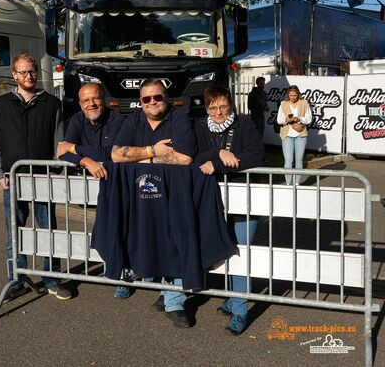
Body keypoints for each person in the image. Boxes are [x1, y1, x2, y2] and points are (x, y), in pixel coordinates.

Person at [110, 78, 196, 328]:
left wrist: (139, 161)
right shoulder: (133, 120)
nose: (152, 102)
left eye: (157, 97)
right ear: (140, 101)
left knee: (174, 243)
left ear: (166, 97)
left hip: (173, 196)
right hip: (141, 198)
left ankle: (175, 303)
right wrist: (153, 151)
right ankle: (162, 290)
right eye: (146, 98)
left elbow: (185, 158)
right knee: (148, 241)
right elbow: (116, 154)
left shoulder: (178, 119)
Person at [0, 52, 72, 301]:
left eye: (32, 71)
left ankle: (51, 278)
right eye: (23, 72)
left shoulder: (52, 104)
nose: (28, 76)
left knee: (48, 231)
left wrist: (55, 170)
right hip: (13, 181)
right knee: (15, 233)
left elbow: (59, 142)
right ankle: (16, 280)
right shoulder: (1, 105)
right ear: (14, 75)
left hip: (43, 181)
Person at [193, 84, 264, 335]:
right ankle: (233, 297)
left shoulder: (245, 124)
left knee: (240, 255)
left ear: (230, 104)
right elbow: (195, 155)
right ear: (207, 108)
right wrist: (218, 155)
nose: (219, 112)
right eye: (213, 107)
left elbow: (256, 155)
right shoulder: (201, 126)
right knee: (223, 251)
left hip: (244, 201)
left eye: (223, 106)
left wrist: (221, 166)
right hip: (213, 202)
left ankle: (240, 311)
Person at [55, 82, 127, 297]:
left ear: (103, 99)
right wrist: (86, 160)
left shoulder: (117, 119)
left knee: (118, 228)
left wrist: (76, 148)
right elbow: (62, 153)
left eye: (95, 98)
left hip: (116, 185)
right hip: (89, 184)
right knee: (102, 229)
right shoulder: (77, 119)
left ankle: (122, 275)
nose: (91, 104)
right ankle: (114, 268)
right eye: (85, 100)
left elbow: (110, 152)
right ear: (80, 103)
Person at [276, 85, 312, 185]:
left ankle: (297, 183)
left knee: (299, 160)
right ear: (288, 95)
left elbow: (309, 119)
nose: (293, 97)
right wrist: (286, 120)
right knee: (288, 160)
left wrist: (299, 119)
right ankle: (288, 183)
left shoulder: (304, 103)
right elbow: (279, 120)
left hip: (301, 134)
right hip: (287, 134)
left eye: (295, 95)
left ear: (298, 95)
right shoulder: (283, 104)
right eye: (291, 95)